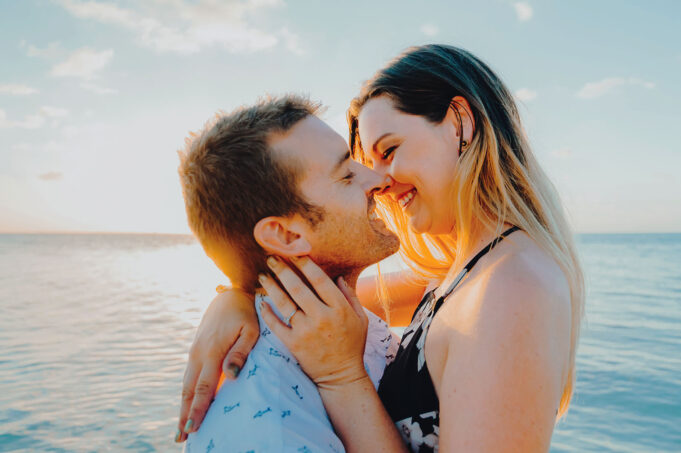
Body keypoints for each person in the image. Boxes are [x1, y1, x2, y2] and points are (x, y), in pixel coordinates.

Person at [178, 44, 585, 452]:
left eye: (389, 151)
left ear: (460, 122)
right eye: (359, 167)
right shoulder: (462, 278)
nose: (379, 182)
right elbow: (315, 299)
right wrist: (235, 298)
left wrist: (343, 378)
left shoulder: (512, 286)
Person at [175, 95, 401, 450]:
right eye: (346, 175)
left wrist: (236, 295)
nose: (377, 179)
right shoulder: (270, 425)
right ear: (286, 235)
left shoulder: (342, 320)